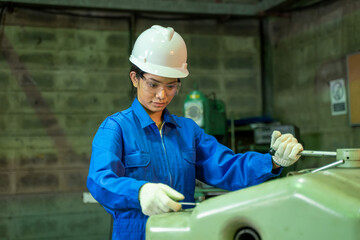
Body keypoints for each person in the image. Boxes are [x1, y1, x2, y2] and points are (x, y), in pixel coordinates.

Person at [87, 25, 303, 240]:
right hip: (136, 234)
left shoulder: (188, 131)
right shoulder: (116, 128)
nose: (161, 95)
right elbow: (100, 180)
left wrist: (272, 162)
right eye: (153, 84)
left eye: (171, 86)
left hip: (182, 233)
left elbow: (228, 167)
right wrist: (140, 192)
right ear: (135, 78)